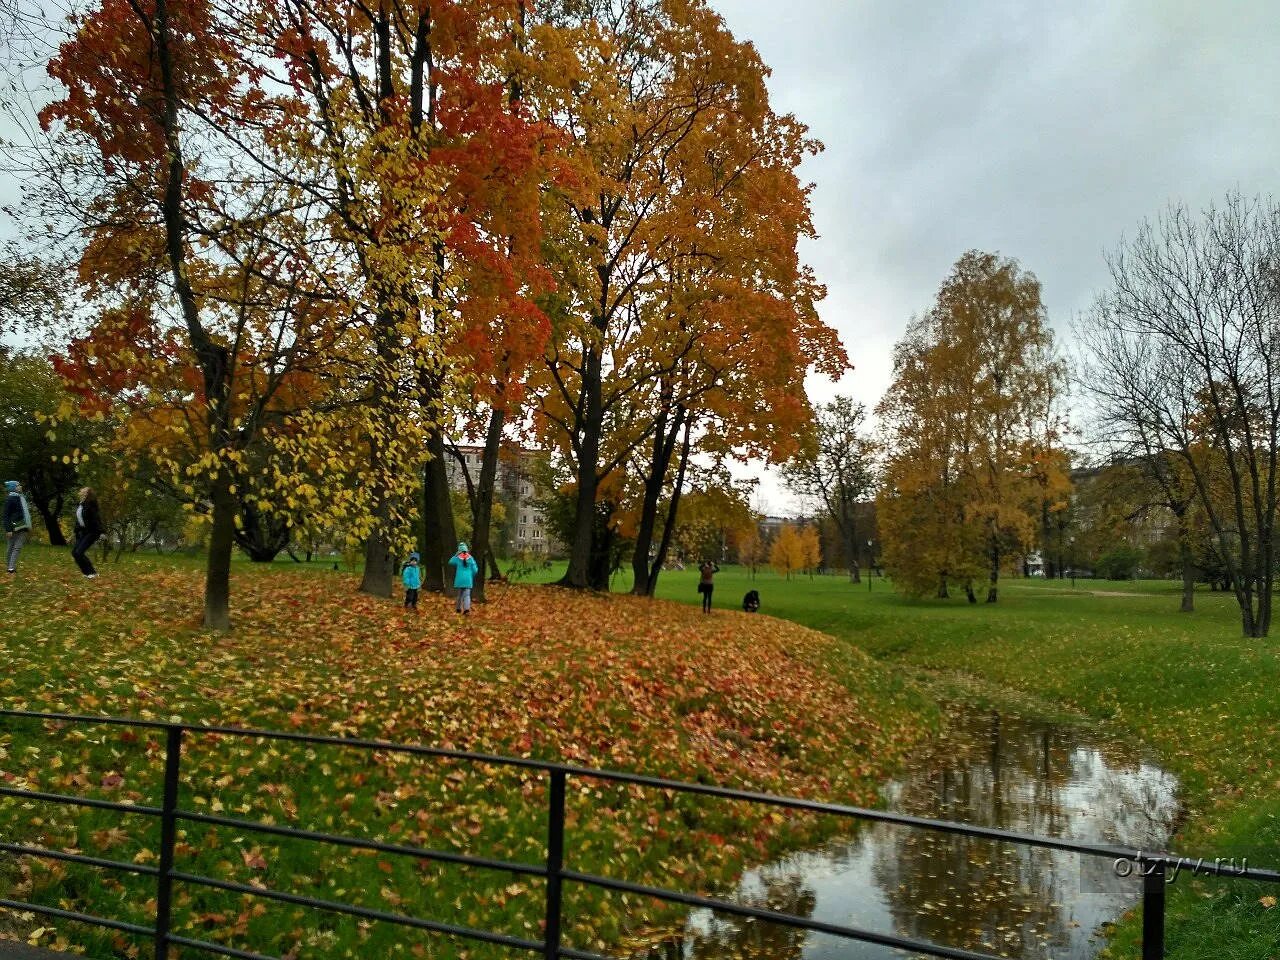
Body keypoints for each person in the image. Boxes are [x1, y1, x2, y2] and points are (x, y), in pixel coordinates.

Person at [71, 487, 105, 578]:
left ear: (87, 494)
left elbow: (96, 518)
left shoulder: (90, 504)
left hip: (92, 532)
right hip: (83, 532)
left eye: (83, 490)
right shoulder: (81, 504)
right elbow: (79, 520)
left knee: (79, 552)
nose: (80, 490)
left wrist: (102, 532)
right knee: (74, 552)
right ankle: (86, 573)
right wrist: (74, 532)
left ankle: (92, 573)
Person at [4, 480, 33, 575]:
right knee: (10, 548)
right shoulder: (10, 499)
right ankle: (9, 566)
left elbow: (26, 513)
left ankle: (11, 568)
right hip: (13, 528)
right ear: (13, 487)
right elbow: (6, 515)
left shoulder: (22, 498)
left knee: (17, 548)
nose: (20, 486)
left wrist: (29, 526)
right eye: (18, 485)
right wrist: (8, 529)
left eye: (20, 485)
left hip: (24, 527)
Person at [449, 541, 479, 615]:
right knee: (467, 595)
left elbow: (450, 562)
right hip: (468, 580)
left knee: (459, 594)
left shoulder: (457, 558)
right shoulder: (471, 558)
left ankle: (458, 608)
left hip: (459, 580)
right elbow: (475, 570)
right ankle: (466, 609)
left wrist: (455, 555)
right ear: (467, 550)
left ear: (459, 550)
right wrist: (471, 575)